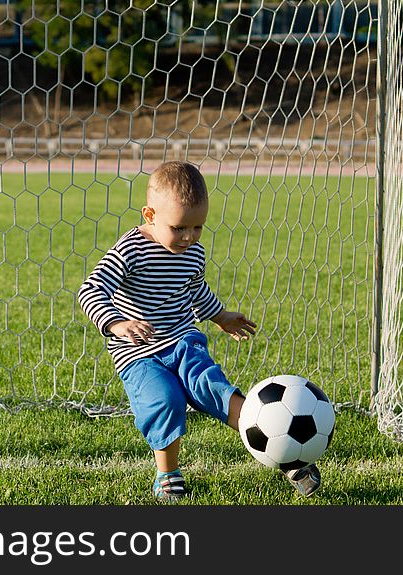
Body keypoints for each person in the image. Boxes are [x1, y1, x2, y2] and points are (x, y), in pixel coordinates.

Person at [77, 161, 321, 501]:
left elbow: (195, 288)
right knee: (165, 400)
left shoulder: (192, 251)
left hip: (182, 340)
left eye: (198, 227)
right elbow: (90, 290)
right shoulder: (129, 251)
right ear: (150, 215)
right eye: (179, 228)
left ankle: (289, 455)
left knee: (214, 388)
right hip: (137, 352)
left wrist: (220, 316)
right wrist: (118, 324)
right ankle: (167, 474)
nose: (189, 237)